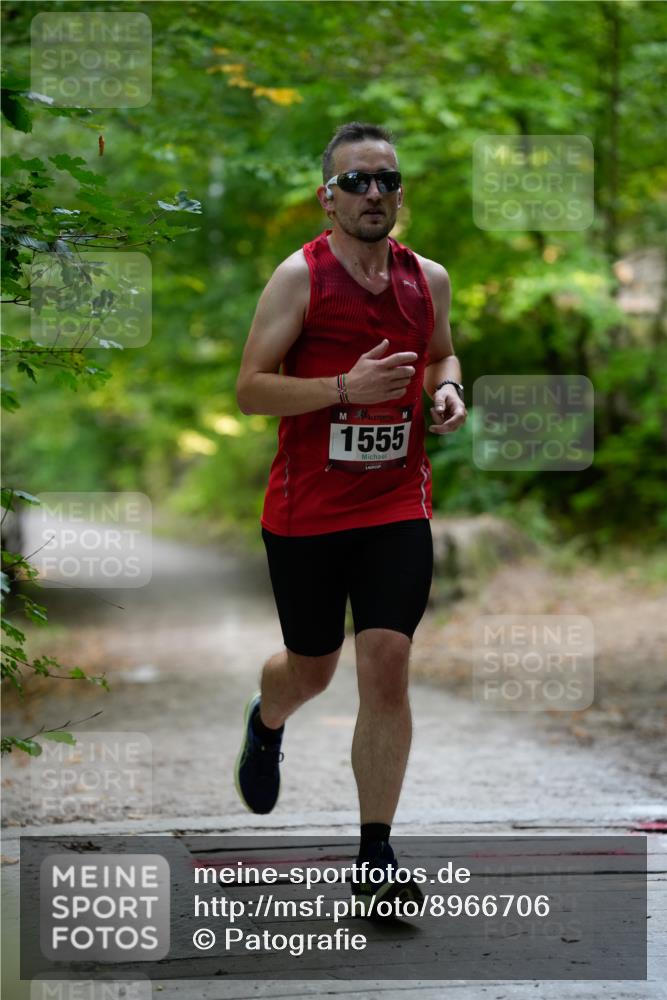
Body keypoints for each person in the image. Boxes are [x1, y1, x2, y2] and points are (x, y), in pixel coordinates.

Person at [234, 121, 467, 916]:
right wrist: (343, 390)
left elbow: (441, 353)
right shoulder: (297, 279)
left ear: (400, 194)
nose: (374, 194)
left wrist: (447, 389)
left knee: (386, 667)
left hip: (395, 501)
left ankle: (374, 857)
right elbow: (252, 389)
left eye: (387, 181)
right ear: (326, 196)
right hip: (307, 512)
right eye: (357, 182)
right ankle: (267, 722)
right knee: (312, 668)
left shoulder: (426, 278)